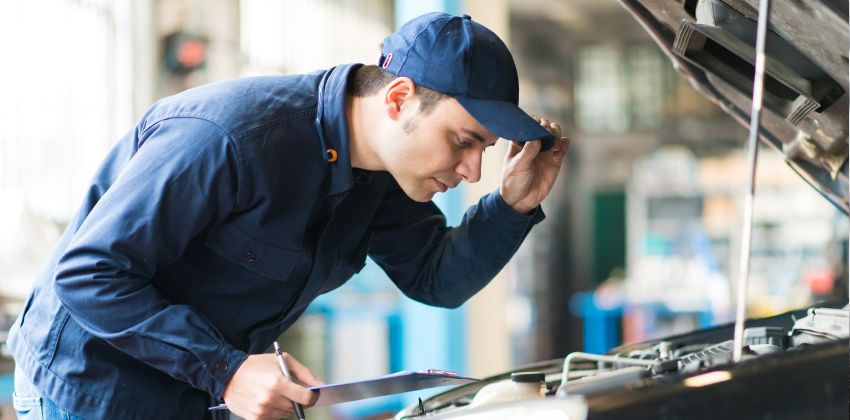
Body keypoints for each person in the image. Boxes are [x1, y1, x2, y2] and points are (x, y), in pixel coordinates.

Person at [8, 12, 569, 420]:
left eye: (483, 151)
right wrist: (226, 369)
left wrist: (513, 205)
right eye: (463, 141)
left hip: (187, 392)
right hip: (86, 389)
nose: (473, 171)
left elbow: (435, 278)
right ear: (398, 100)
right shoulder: (229, 137)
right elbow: (88, 273)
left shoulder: (381, 174)